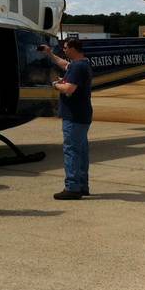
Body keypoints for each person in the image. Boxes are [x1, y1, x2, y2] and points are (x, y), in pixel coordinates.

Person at [40, 39, 93, 200]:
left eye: (65, 48)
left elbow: (69, 88)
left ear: (72, 49)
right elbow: (64, 65)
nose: (64, 51)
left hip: (73, 115)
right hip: (83, 115)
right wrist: (50, 54)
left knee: (71, 151)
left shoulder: (77, 66)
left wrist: (56, 84)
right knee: (81, 151)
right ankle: (82, 185)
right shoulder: (83, 63)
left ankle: (72, 187)